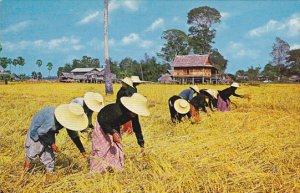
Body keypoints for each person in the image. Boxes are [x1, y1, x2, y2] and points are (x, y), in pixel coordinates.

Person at [90, 93, 150, 173]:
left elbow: (137, 128)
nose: (135, 113)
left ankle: (113, 168)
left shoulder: (134, 114)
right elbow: (102, 120)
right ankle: (96, 171)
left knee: (116, 147)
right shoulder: (117, 111)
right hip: (102, 124)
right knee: (102, 148)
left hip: (114, 125)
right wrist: (112, 133)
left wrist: (141, 144)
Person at [24, 103, 88, 172]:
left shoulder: (68, 120)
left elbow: (74, 136)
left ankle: (49, 173)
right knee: (33, 151)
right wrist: (52, 144)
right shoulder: (52, 120)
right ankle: (25, 171)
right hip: (37, 131)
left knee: (49, 155)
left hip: (48, 131)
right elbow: (41, 132)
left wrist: (82, 151)